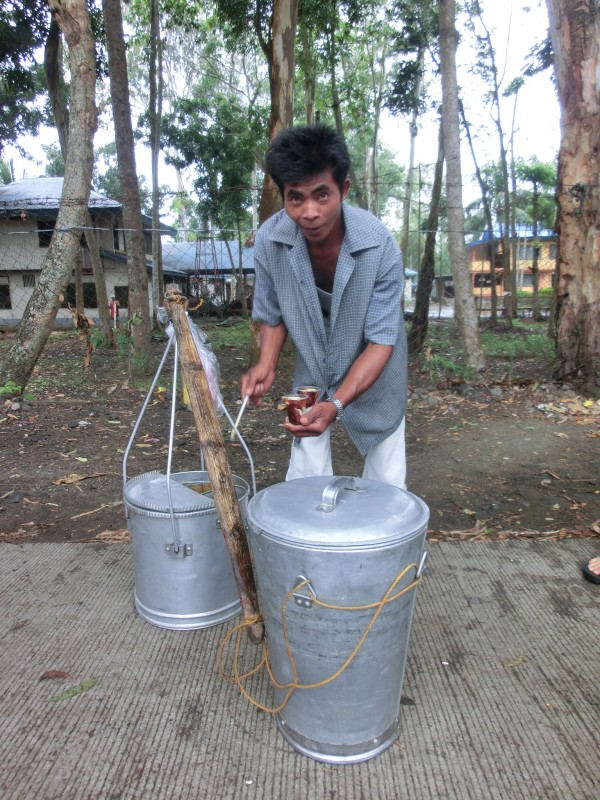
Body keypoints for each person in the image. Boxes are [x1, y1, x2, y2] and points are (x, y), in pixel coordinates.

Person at [241, 123, 407, 488]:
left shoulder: (379, 246)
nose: (309, 212)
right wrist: (266, 363)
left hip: (375, 364)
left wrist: (338, 403)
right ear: (283, 195)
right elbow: (271, 312)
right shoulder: (270, 239)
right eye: (295, 198)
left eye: (321, 195)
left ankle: (381, 544)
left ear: (343, 189)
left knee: (387, 478)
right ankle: (308, 543)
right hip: (314, 359)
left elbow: (381, 341)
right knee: (305, 470)